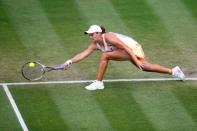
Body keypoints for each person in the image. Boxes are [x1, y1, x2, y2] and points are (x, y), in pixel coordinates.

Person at [62, 25, 185, 90]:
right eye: (89, 35)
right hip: (125, 50)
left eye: (92, 34)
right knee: (145, 67)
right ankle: (174, 71)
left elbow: (127, 48)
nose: (90, 37)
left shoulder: (109, 37)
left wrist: (136, 60)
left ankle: (99, 83)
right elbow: (83, 54)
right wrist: (69, 61)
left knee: (106, 55)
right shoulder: (95, 45)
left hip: (132, 47)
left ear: (99, 33)